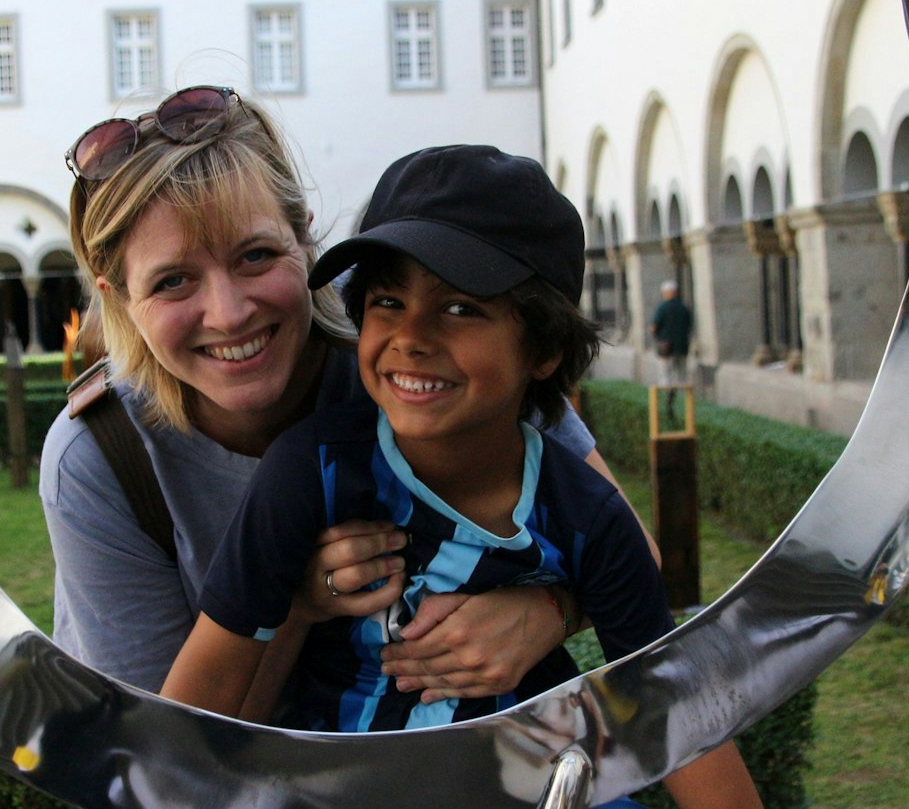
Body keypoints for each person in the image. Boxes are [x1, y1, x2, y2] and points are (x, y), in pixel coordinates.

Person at [161, 146, 759, 807]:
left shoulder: (587, 516)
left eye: (461, 308)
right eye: (387, 299)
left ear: (545, 346)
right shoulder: (312, 473)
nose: (410, 336)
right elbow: (199, 698)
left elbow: (677, 713)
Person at [41, 87, 639, 702]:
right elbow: (169, 749)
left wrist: (548, 608)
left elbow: (624, 546)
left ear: (305, 237)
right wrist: (292, 605)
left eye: (255, 256)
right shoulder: (98, 458)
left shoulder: (410, 348)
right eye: (172, 281)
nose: (227, 313)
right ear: (118, 300)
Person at [650, 278, 693, 422]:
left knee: (665, 377)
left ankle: (667, 405)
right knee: (681, 377)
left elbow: (654, 327)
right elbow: (689, 326)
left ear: (668, 293)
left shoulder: (663, 307)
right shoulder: (684, 307)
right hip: (682, 348)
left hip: (666, 350)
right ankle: (683, 408)